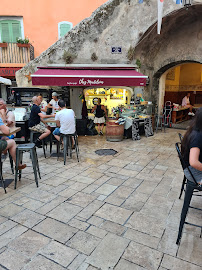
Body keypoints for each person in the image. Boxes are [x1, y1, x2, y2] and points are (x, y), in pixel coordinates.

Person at [181, 107, 202, 184]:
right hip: (193, 172)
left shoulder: (195, 128)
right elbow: (193, 162)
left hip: (191, 168)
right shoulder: (197, 136)